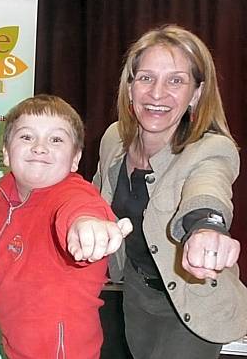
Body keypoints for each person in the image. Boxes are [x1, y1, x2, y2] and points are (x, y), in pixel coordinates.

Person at [93, 24, 247, 358]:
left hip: (194, 302)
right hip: (136, 297)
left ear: (195, 94)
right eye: (146, 78)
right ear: (130, 87)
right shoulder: (113, 139)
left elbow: (208, 190)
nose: (157, 94)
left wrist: (207, 226)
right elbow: (94, 199)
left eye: (176, 80)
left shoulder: (210, 149)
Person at [0, 95, 132, 359]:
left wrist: (87, 226)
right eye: (27, 137)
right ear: (6, 152)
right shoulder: (2, 194)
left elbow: (80, 208)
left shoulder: (71, 193)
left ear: (75, 159)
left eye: (56, 139)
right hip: (15, 343)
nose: (40, 147)